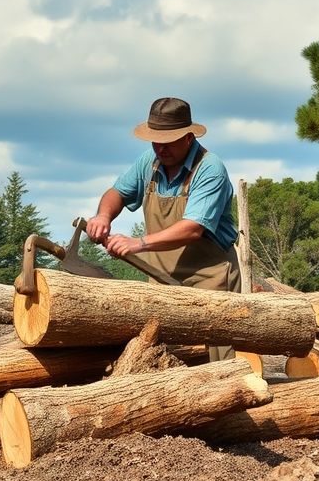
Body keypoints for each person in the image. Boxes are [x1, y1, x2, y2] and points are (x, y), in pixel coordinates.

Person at [86, 97, 241, 358]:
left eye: (167, 141)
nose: (160, 147)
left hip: (208, 280)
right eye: (155, 140)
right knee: (163, 362)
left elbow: (193, 228)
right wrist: (103, 216)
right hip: (159, 279)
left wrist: (139, 243)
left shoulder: (210, 169)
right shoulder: (150, 161)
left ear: (188, 138)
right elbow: (117, 193)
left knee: (218, 362)